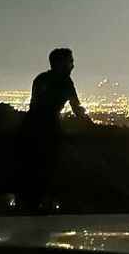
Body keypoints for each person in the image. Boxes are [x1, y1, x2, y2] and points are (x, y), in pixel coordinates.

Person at [16, 47, 91, 212]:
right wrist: (91, 125)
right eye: (70, 62)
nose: (72, 66)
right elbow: (76, 108)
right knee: (45, 168)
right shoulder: (65, 82)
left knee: (32, 169)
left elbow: (36, 104)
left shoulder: (42, 79)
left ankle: (29, 204)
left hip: (32, 126)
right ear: (60, 64)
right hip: (46, 128)